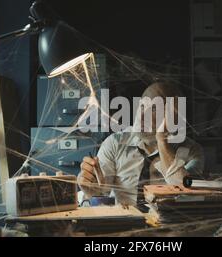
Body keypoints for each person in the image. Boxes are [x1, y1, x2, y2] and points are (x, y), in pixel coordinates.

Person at [77, 81, 204, 210]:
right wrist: (91, 188)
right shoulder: (115, 142)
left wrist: (162, 139)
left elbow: (187, 191)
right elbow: (101, 190)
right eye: (142, 106)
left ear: (175, 116)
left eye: (154, 109)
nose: (143, 116)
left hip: (169, 225)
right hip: (123, 224)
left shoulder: (192, 151)